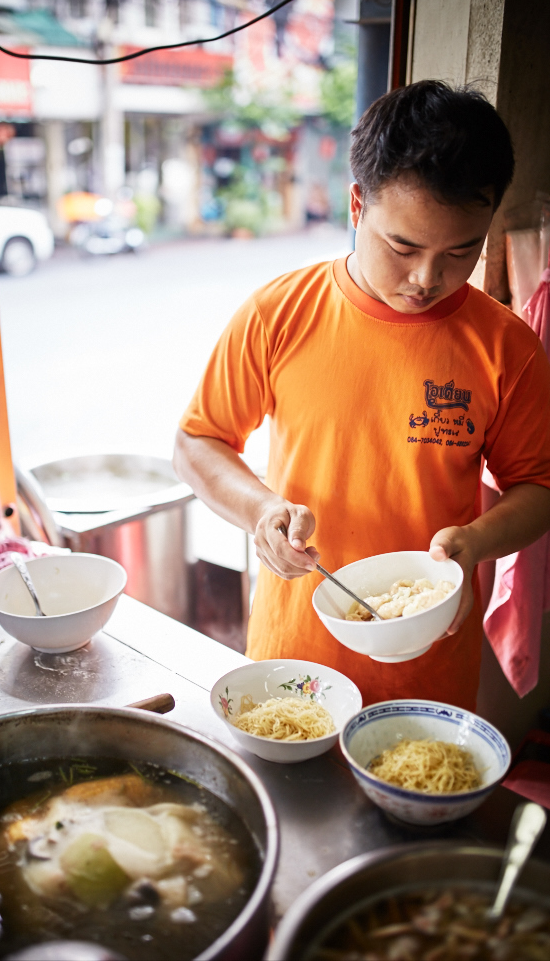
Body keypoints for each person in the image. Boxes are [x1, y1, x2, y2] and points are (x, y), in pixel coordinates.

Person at [174, 81, 550, 710]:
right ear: (356, 206)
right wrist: (261, 510)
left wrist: (478, 541)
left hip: (426, 666)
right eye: (402, 246)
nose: (427, 279)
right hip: (292, 658)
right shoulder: (280, 313)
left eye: (461, 250)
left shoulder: (507, 347)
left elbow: (538, 488)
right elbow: (197, 442)